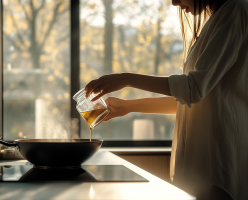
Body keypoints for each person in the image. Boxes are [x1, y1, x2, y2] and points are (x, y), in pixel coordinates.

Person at [85, 0, 248, 199]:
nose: (174, 2)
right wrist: (128, 106)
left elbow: (192, 89)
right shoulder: (218, 18)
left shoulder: (236, 10)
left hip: (218, 162)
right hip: (202, 164)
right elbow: (192, 100)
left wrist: (126, 79)